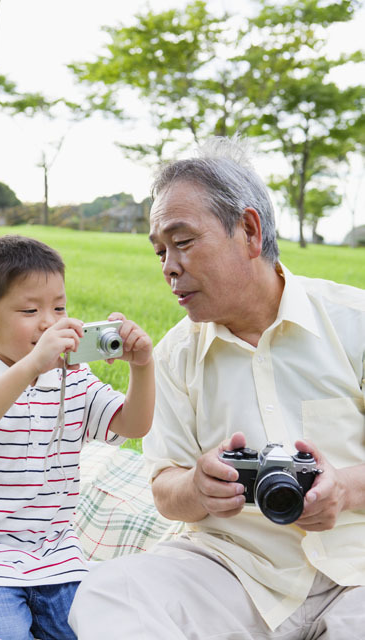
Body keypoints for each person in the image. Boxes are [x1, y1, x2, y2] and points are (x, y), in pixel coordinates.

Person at [68, 136, 365, 640]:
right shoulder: (172, 356)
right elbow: (165, 489)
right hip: (232, 571)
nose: (168, 268)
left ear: (248, 230)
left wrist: (343, 486)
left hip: (355, 568)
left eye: (183, 242)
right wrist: (198, 487)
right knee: (107, 593)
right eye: (161, 251)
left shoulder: (354, 323)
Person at [0, 234, 154, 640]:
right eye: (29, 310)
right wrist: (33, 365)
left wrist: (142, 366)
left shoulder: (76, 381)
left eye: (59, 307)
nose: (49, 321)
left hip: (57, 557)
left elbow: (134, 425)